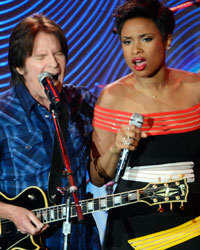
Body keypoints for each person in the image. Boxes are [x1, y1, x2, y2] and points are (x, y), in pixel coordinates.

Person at [90, 0, 200, 249]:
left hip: (194, 225)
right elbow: (97, 178)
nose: (135, 50)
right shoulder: (112, 97)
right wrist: (116, 149)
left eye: (145, 39)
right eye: (127, 42)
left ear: (167, 41)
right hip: (136, 229)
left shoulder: (196, 89)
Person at [0, 14, 101, 250]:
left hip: (83, 239)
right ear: (19, 66)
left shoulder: (81, 101)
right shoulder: (3, 114)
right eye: (41, 56)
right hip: (21, 241)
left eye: (58, 54)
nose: (54, 64)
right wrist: (8, 211)